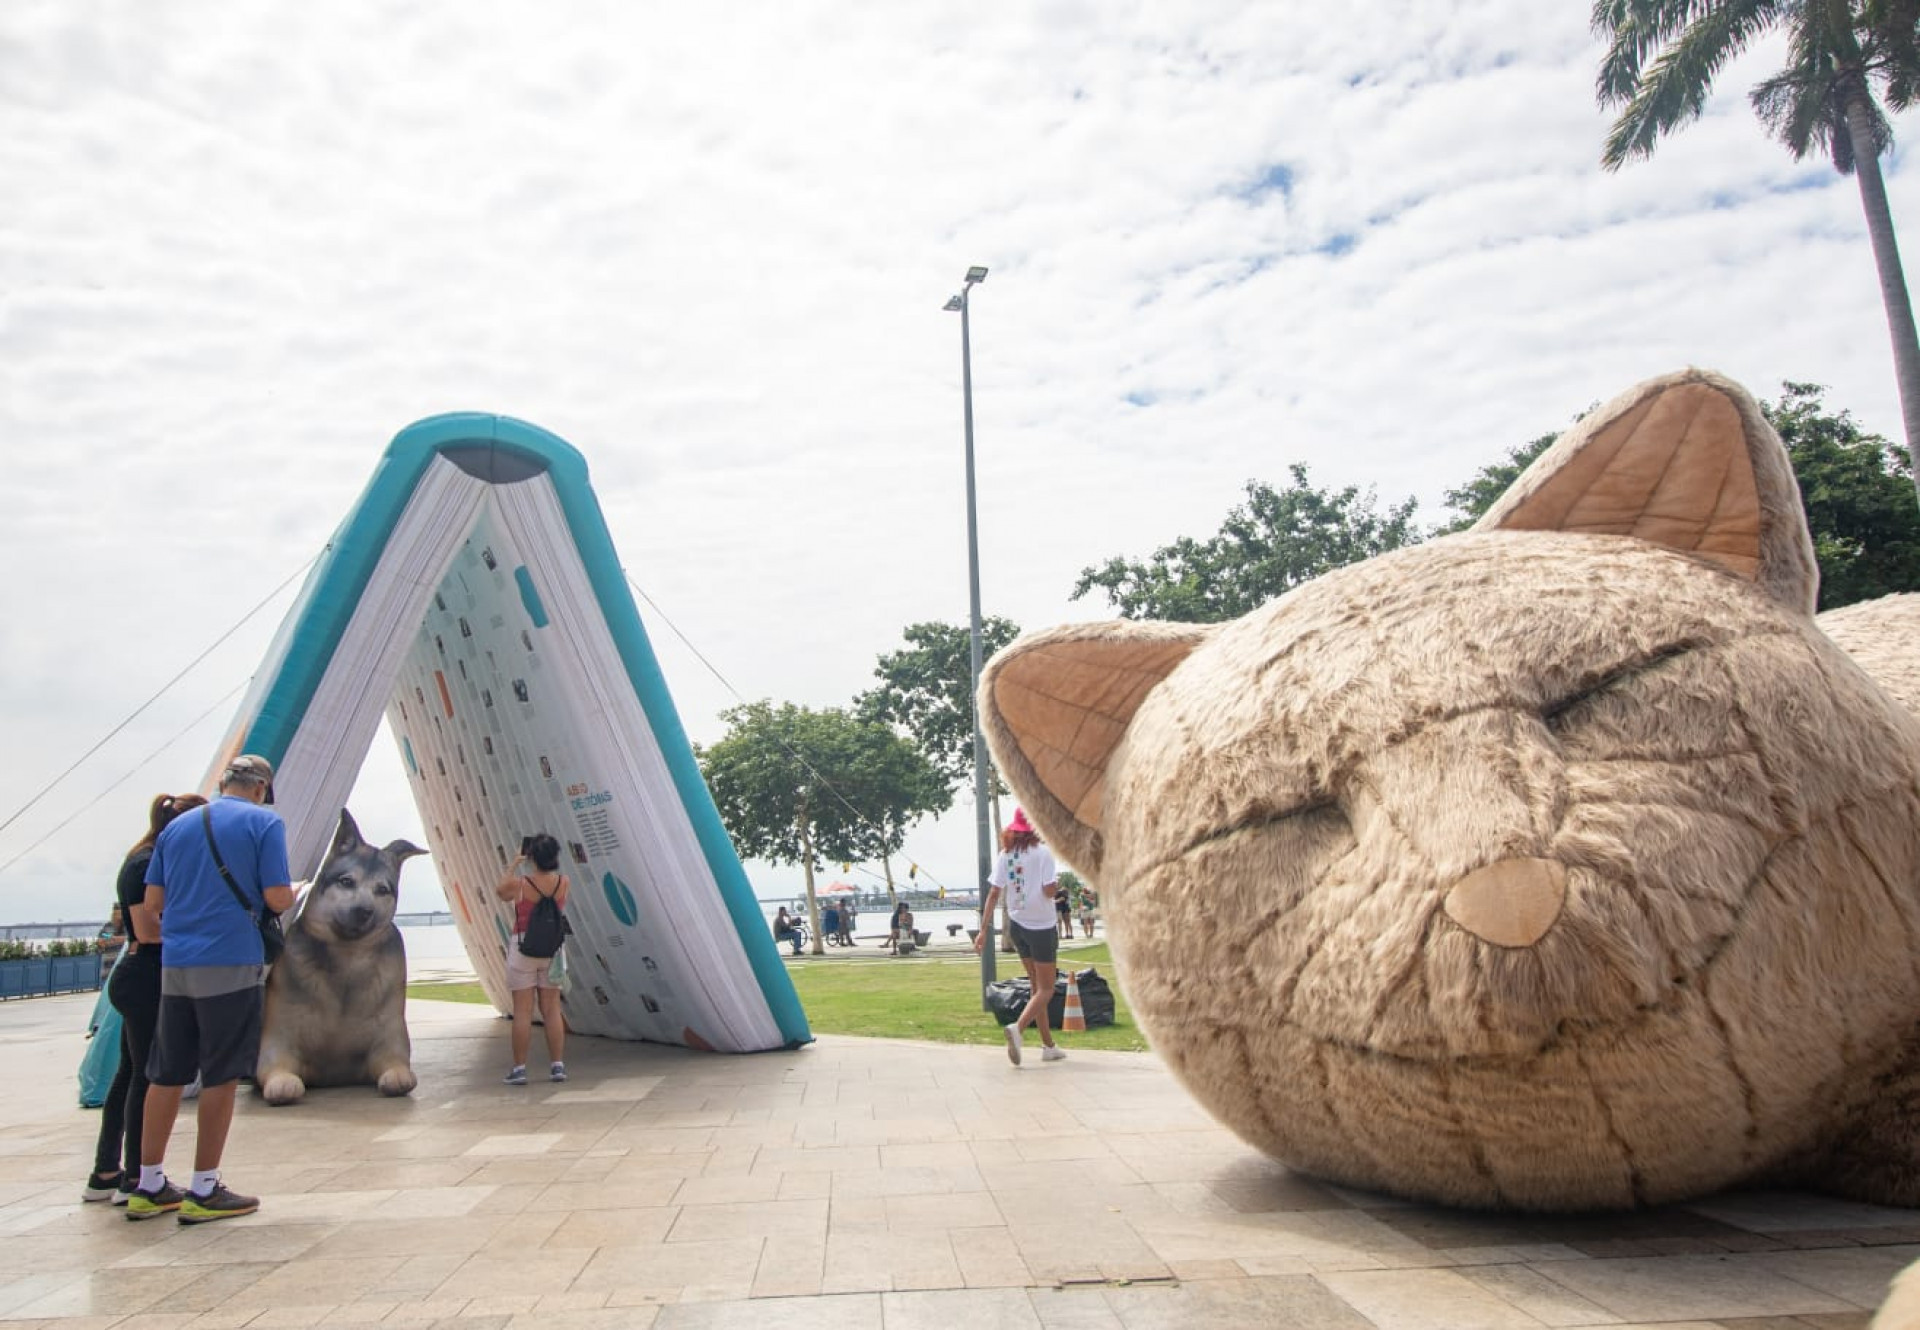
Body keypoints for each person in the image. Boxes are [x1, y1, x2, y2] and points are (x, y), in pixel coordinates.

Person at [131, 756, 292, 1223]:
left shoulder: (177, 828)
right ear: (261, 787)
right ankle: (204, 1188)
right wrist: (293, 894)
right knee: (221, 1074)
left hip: (177, 963)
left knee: (167, 1074)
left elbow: (154, 901)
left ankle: (150, 1183)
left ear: (223, 782)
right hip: (230, 960)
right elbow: (277, 896)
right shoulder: (264, 823)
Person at [84, 794, 206, 1206]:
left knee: (129, 1075)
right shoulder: (145, 864)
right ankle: (137, 1177)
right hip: (145, 977)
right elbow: (148, 930)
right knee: (146, 1077)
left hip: (142, 976)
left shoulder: (150, 857)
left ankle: (106, 1172)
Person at [975, 808, 1065, 1065]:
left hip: (1018, 927)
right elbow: (1049, 892)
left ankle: (1049, 1046)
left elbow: (994, 893)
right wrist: (1053, 887)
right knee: (1047, 989)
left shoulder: (1006, 855)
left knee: (1037, 988)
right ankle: (1018, 1029)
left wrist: (983, 930)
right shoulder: (1044, 853)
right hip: (1042, 927)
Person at [494, 833, 569, 1085]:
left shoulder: (521, 884)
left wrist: (514, 863)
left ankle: (519, 1069)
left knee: (523, 1011)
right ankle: (557, 1066)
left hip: (524, 946)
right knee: (552, 1009)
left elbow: (500, 891)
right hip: (552, 949)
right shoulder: (563, 882)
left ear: (532, 856)